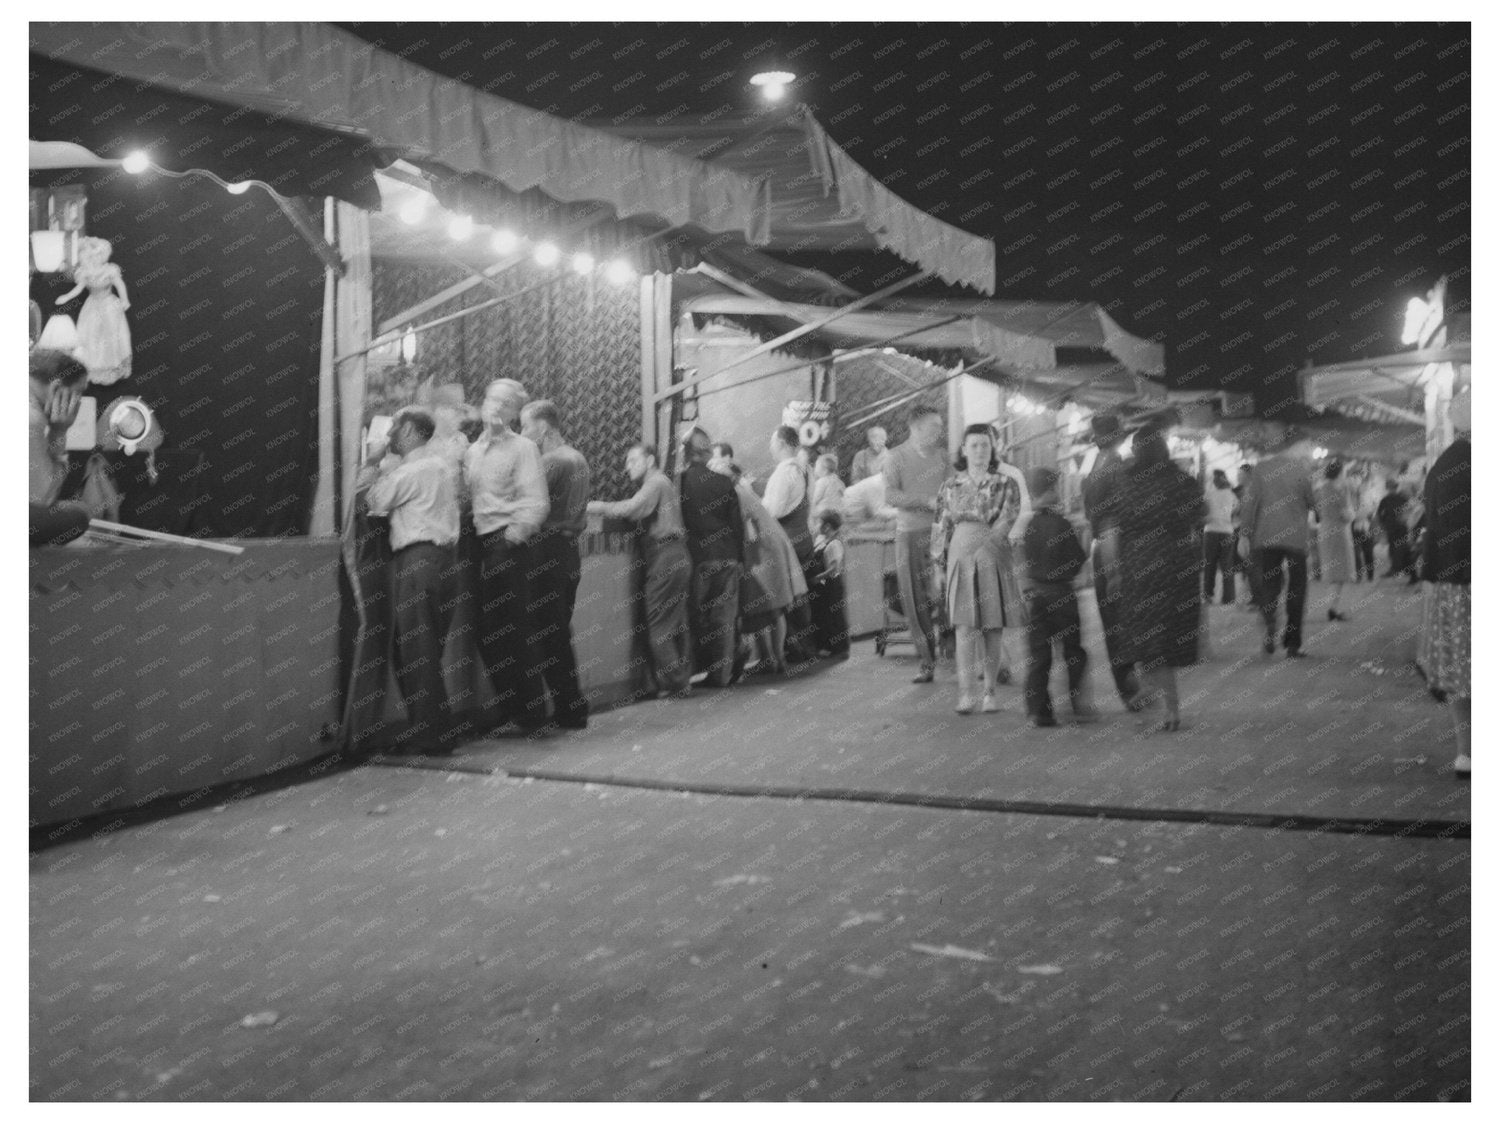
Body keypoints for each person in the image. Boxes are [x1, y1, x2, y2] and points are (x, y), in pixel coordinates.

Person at [358, 407, 460, 753]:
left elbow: (371, 499)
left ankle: (431, 735)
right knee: (419, 649)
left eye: (394, 430)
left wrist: (372, 461)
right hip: (440, 560)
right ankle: (432, 729)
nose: (388, 437)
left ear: (413, 432)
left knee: (416, 650)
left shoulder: (416, 469)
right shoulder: (441, 467)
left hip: (418, 561)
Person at [464, 378, 550, 731]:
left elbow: (536, 504)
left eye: (505, 403)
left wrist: (510, 539)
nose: (496, 407)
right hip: (479, 542)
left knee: (514, 630)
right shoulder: (472, 451)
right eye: (492, 399)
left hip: (507, 545)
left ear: (515, 413)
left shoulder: (523, 448)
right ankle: (512, 709)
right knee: (486, 632)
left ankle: (531, 715)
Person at [1115, 420, 1207, 731]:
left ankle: (1159, 698)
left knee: (1146, 637)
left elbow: (1119, 524)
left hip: (1139, 563)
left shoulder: (1126, 481)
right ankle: (1170, 707)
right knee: (1165, 640)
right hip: (1176, 563)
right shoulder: (1182, 480)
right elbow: (1199, 516)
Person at [930, 423, 1025, 714]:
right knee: (963, 626)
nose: (980, 450)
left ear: (992, 448)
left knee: (992, 627)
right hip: (959, 552)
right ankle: (966, 693)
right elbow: (940, 526)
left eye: (985, 445)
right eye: (974, 445)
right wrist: (938, 566)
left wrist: (989, 544)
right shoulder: (950, 486)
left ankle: (990, 692)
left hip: (993, 552)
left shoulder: (1005, 483)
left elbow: (1009, 517)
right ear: (963, 450)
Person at [588, 444, 693, 698]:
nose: (627, 467)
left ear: (649, 460)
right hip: (676, 555)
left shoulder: (655, 482)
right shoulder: (663, 482)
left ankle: (676, 683)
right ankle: (680, 680)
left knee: (658, 625)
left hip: (665, 557)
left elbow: (633, 509)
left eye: (632, 460)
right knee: (674, 623)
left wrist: (597, 505)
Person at [519, 399, 590, 729]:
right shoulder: (577, 458)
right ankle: (570, 706)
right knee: (559, 629)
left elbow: (522, 499)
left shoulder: (551, 462)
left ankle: (567, 708)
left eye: (525, 425)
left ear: (543, 427)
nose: (522, 433)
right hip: (569, 552)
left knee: (549, 633)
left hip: (546, 552)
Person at [709, 443, 806, 677]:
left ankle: (771, 659)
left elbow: (746, 528)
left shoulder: (734, 493)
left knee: (763, 606)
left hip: (761, 551)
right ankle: (775, 659)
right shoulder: (743, 489)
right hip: (772, 545)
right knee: (773, 608)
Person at [1020, 466, 1095, 727]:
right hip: (1062, 595)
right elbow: (1076, 560)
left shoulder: (1028, 525)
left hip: (1036, 597)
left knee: (1039, 656)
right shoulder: (1061, 524)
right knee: (1073, 651)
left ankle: (1038, 711)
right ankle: (1077, 703)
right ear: (1051, 491)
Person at [1422, 383, 1471, 777]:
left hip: (1453, 581)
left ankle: (1466, 753)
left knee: (1461, 671)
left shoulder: (1444, 464)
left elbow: (1435, 525)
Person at [1081, 412, 1144, 708]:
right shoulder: (1117, 468)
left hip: (1103, 550)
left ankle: (1130, 688)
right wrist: (1115, 568)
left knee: (1115, 624)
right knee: (1123, 622)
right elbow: (1109, 523)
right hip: (1115, 552)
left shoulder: (1095, 467)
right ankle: (1132, 690)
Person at [883, 405, 949, 683]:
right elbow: (890, 496)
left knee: (948, 591)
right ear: (918, 428)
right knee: (914, 598)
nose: (940, 432)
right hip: (909, 533)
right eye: (935, 427)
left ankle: (960, 649)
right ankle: (927, 660)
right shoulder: (896, 457)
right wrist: (924, 501)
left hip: (941, 532)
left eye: (941, 427)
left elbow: (953, 490)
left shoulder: (943, 457)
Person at [1238, 429, 1317, 658]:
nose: (1308, 451)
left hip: (1266, 537)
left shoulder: (1261, 468)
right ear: (1297, 446)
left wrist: (1245, 534)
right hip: (1295, 539)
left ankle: (1270, 626)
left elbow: (1249, 504)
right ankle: (1293, 644)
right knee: (1297, 588)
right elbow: (1313, 502)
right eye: (1306, 446)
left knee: (1270, 585)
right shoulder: (1303, 470)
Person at [678, 428, 745, 687]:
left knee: (697, 616)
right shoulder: (724, 482)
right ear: (706, 452)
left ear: (686, 452)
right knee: (725, 618)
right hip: (727, 556)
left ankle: (698, 669)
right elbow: (736, 524)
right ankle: (722, 675)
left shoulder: (681, 482)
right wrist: (740, 559)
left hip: (699, 557)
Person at [762, 426, 819, 661]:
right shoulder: (806, 470)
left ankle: (796, 649)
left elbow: (772, 511)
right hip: (804, 538)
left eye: (773, 443)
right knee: (801, 595)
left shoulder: (784, 473)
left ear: (783, 444)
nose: (771, 448)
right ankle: (806, 647)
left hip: (788, 543)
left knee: (789, 598)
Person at [1314, 460, 1358, 621]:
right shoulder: (1340, 489)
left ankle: (1332, 608)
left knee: (1333, 572)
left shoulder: (1320, 489)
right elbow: (1347, 514)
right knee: (1340, 572)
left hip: (1324, 530)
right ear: (1340, 473)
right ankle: (1333, 608)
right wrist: (1354, 514)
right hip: (1339, 532)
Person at [810, 510, 850, 660]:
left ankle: (838, 648)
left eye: (819, 522)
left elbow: (833, 568)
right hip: (824, 585)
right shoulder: (821, 540)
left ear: (827, 526)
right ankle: (827, 646)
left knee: (834, 615)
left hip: (832, 584)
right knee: (824, 615)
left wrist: (817, 577)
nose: (817, 525)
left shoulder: (834, 544)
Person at [1202, 469, 1237, 605]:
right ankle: (1229, 597)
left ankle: (1208, 595)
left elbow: (1203, 510)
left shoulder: (1208, 494)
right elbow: (1235, 510)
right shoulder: (1231, 494)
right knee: (1227, 565)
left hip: (1211, 531)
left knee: (1209, 565)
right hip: (1227, 531)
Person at [1377, 480, 1414, 580]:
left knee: (1394, 548)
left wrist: (1384, 524)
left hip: (1392, 527)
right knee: (1404, 547)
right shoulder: (1403, 498)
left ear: (1388, 488)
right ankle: (1406, 569)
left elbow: (1380, 514)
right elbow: (1410, 510)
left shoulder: (1385, 500)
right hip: (1402, 526)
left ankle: (1395, 569)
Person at [808, 453, 846, 534]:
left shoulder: (822, 482)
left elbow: (814, 499)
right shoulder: (839, 482)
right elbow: (844, 497)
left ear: (825, 470)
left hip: (823, 515)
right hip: (838, 516)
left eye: (816, 466)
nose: (815, 468)